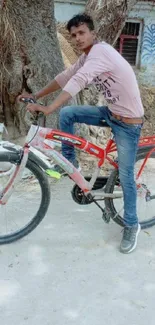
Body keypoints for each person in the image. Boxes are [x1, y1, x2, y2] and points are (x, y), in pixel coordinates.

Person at [18, 13, 144, 254]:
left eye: (81, 33)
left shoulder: (101, 52)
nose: (77, 38)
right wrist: (37, 96)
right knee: (68, 115)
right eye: (73, 35)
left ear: (93, 33)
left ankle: (131, 225)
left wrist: (48, 107)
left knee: (126, 175)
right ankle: (69, 163)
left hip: (128, 122)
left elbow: (79, 81)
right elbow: (64, 77)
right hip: (110, 112)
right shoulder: (86, 56)